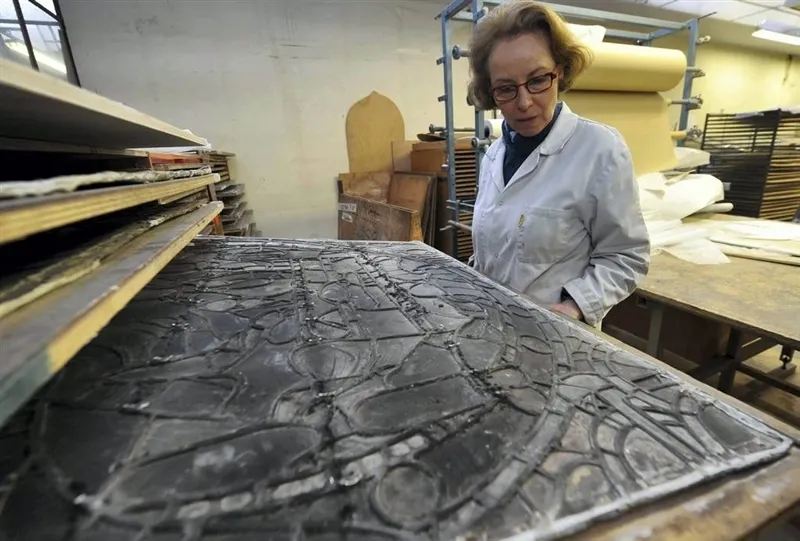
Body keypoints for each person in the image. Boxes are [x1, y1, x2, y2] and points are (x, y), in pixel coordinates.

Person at [467, 0, 650, 327]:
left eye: (538, 80)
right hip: (490, 325)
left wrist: (576, 305)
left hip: (554, 333)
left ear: (560, 70)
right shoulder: (493, 155)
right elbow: (492, 251)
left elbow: (626, 255)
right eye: (506, 89)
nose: (524, 103)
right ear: (491, 92)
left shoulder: (600, 150)